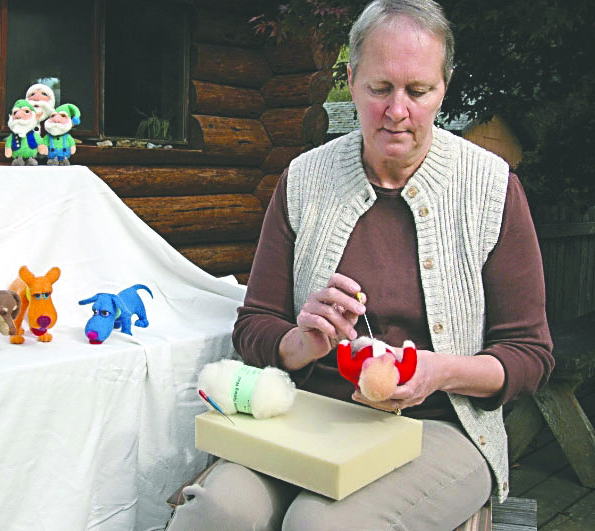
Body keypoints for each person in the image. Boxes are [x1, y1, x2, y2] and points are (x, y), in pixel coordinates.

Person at [166, 1, 554, 529]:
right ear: (350, 80)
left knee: (319, 524)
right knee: (216, 511)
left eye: (418, 91)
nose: (398, 110)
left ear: (444, 87)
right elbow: (254, 324)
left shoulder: (490, 188)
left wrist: (438, 373)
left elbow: (529, 357)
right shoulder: (304, 179)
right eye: (379, 89)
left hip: (441, 428)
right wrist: (301, 343)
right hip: (310, 414)